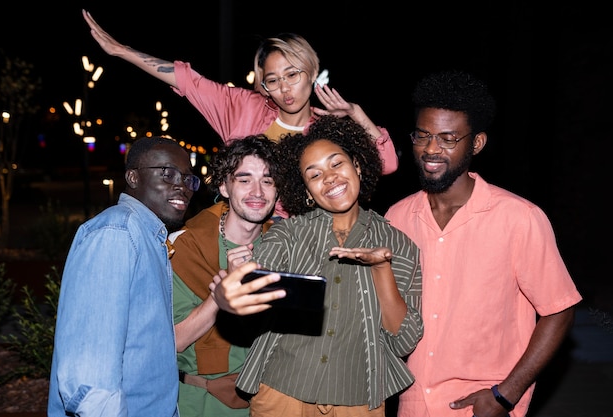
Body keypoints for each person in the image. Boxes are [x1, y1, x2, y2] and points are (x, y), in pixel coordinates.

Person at [383, 70, 583, 417]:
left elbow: (559, 310)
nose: (431, 149)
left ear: (476, 144)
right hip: (412, 402)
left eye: (448, 138)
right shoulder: (397, 218)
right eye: (423, 135)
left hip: (482, 406)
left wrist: (506, 394)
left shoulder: (519, 218)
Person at [210, 115, 424, 416]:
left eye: (337, 164)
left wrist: (381, 269)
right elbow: (257, 281)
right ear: (307, 191)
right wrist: (229, 296)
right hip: (282, 394)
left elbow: (403, 340)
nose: (330, 178)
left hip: (359, 400)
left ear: (358, 165)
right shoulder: (289, 233)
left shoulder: (399, 245)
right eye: (315, 175)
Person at [81, 9, 398, 179]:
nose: (284, 88)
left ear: (312, 73)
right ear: (262, 84)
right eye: (272, 80)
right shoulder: (243, 108)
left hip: (308, 248)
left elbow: (386, 165)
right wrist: (122, 51)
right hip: (247, 241)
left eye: (292, 75)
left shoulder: (329, 127)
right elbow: (188, 80)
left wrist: (359, 116)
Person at [48, 136, 198, 417]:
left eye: (188, 178)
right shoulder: (117, 233)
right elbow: (90, 379)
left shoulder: (147, 237)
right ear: (132, 177)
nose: (182, 185)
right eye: (168, 173)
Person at [169, 134, 279, 416]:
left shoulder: (283, 246)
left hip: (269, 399)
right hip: (203, 402)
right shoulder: (185, 246)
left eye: (267, 180)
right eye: (244, 180)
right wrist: (221, 296)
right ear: (224, 186)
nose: (257, 192)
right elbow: (174, 341)